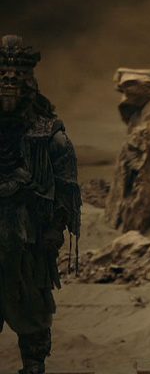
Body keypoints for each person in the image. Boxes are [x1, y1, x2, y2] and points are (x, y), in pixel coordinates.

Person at [0, 34, 82, 374]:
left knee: (33, 321)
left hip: (28, 243)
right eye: (2, 74)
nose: (9, 82)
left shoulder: (51, 136)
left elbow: (65, 190)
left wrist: (54, 229)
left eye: (16, 75)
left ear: (29, 81)